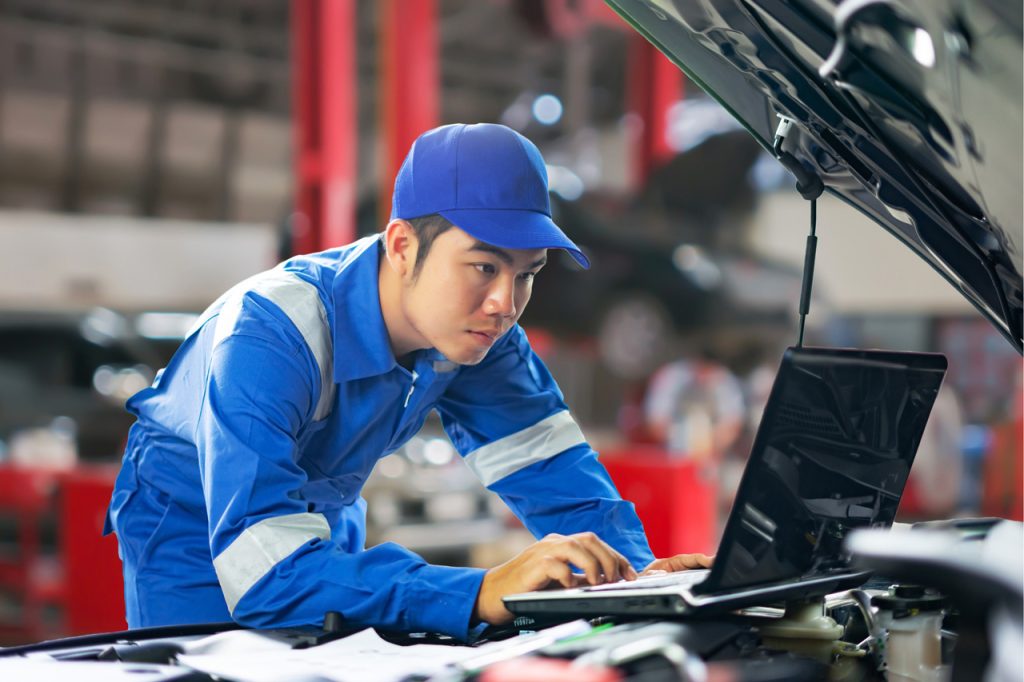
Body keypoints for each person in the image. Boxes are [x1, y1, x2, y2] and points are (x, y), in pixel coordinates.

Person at [104, 123, 711, 641]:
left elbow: (556, 474)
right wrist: (481, 591)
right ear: (401, 246)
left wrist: (640, 580)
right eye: (483, 266)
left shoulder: (480, 335)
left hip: (319, 520)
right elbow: (264, 573)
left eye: (527, 274)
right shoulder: (268, 336)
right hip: (193, 530)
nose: (505, 303)